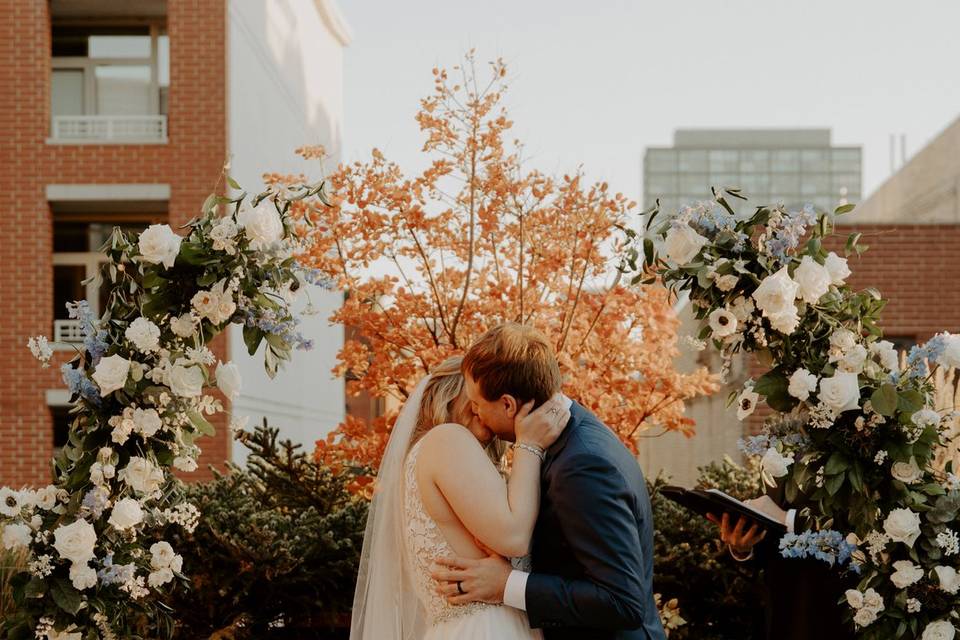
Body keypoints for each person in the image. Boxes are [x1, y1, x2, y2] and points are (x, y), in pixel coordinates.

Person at [430, 322, 667, 640]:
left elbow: (623, 602)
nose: (474, 412)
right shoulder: (567, 438)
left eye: (476, 404)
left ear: (507, 405)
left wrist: (506, 585)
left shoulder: (582, 465)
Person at [349, 354, 571, 640]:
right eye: (477, 397)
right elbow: (514, 538)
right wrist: (529, 445)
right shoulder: (446, 439)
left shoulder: (431, 454)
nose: (483, 409)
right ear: (454, 391)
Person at [709, 489, 852, 639]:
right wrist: (745, 546)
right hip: (779, 611)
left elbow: (860, 528)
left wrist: (787, 519)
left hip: (829, 609)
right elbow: (769, 538)